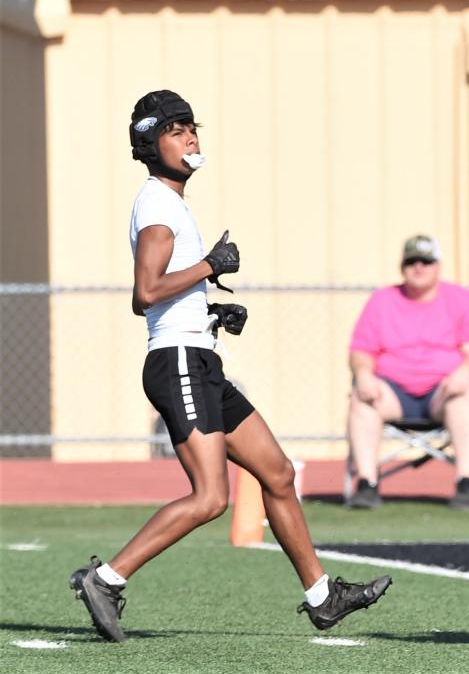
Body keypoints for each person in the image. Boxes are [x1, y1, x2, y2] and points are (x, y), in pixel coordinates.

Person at [69, 91, 392, 643]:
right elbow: (144, 293)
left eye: (192, 126)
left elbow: (170, 290)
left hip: (199, 357)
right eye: (174, 130)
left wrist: (212, 309)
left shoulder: (172, 202)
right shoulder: (157, 206)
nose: (190, 136)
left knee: (279, 473)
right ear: (150, 144)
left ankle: (322, 597)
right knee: (212, 498)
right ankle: (105, 579)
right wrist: (209, 265)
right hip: (177, 363)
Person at [347, 235, 469, 510]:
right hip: (392, 392)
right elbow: (361, 351)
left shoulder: (461, 300)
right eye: (411, 261)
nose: (418, 267)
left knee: (465, 394)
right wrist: (364, 374)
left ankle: (466, 482)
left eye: (425, 261)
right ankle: (367, 483)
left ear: (437, 265)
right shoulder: (382, 301)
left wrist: (465, 372)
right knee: (361, 397)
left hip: (444, 392)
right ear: (402, 266)